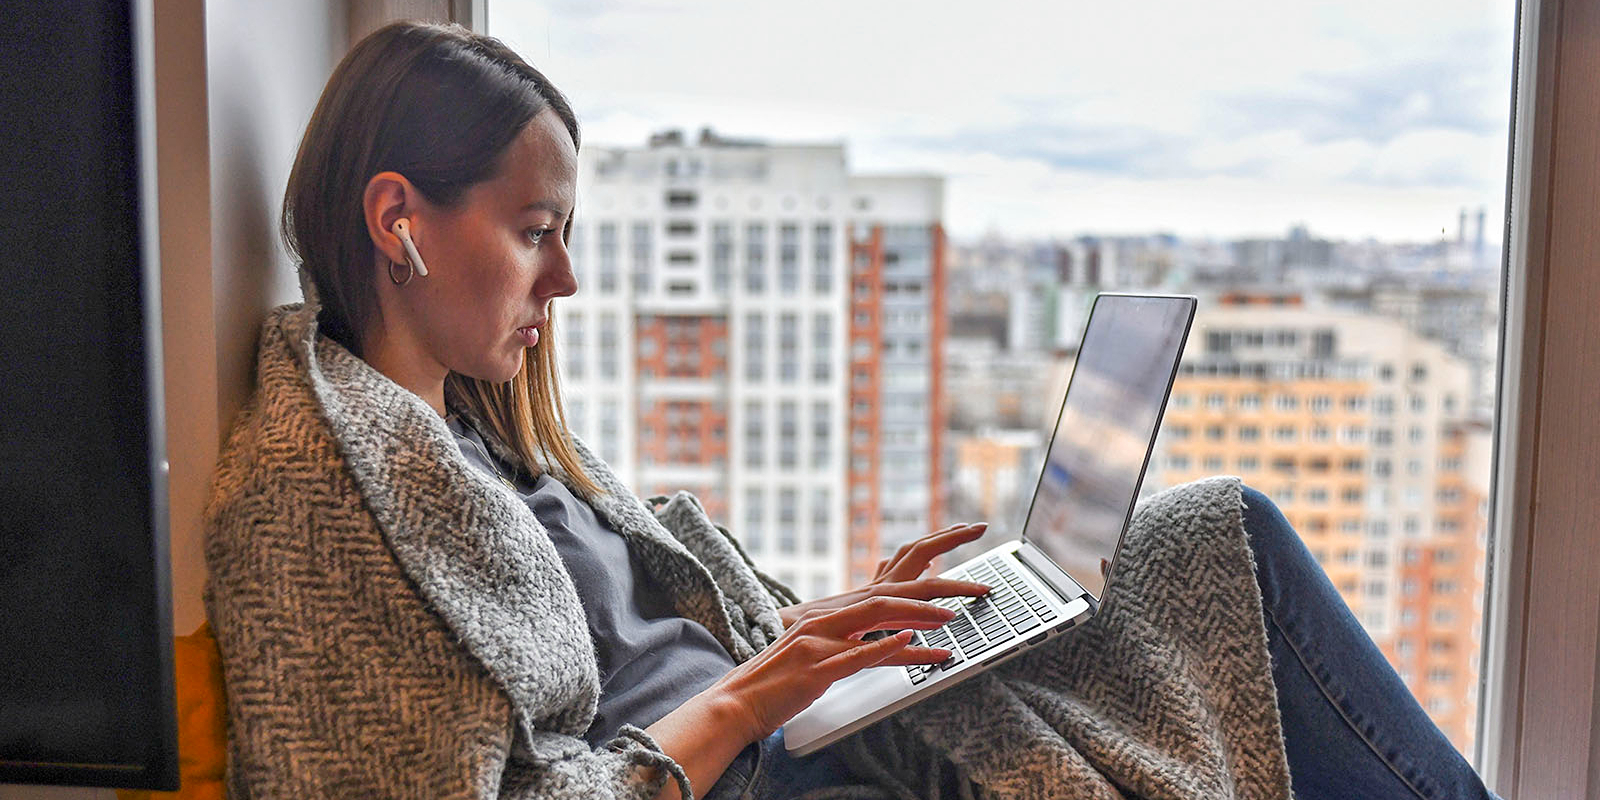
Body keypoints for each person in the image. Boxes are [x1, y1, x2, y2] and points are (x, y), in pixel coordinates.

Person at [203, 20, 1499, 800]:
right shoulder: (316, 497)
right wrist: (762, 694)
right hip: (763, 775)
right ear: (397, 221)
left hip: (788, 726)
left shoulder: (478, 429)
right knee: (1222, 535)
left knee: (1207, 542)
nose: (571, 277)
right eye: (537, 231)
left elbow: (653, 632)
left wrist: (822, 628)